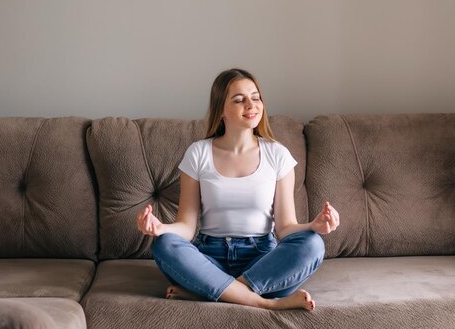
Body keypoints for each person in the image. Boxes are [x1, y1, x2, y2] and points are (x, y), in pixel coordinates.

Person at [136, 68, 339, 311]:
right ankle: (268, 304)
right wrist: (160, 228)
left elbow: (285, 228)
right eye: (239, 99)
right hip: (209, 258)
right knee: (164, 244)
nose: (251, 105)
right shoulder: (198, 153)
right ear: (221, 110)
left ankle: (212, 290)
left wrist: (313, 226)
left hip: (262, 262)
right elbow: (186, 227)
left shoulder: (277, 154)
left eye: (256, 97)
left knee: (313, 244)